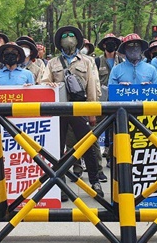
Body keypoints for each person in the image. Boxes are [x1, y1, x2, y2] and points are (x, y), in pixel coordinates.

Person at [40, 25, 105, 198]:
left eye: (71, 36)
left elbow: (93, 86)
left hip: (80, 108)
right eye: (64, 36)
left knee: (87, 145)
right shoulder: (53, 62)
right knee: (57, 148)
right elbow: (44, 81)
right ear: (59, 42)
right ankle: (58, 184)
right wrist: (49, 85)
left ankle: (94, 181)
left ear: (77, 40)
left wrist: (92, 111)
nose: (68, 38)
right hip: (59, 110)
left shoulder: (87, 61)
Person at [94, 33, 124, 160]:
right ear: (104, 45)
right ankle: (96, 156)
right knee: (98, 127)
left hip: (116, 99)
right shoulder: (97, 61)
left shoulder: (121, 61)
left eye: (113, 42)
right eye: (108, 42)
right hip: (101, 99)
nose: (110, 44)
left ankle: (111, 154)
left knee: (114, 128)